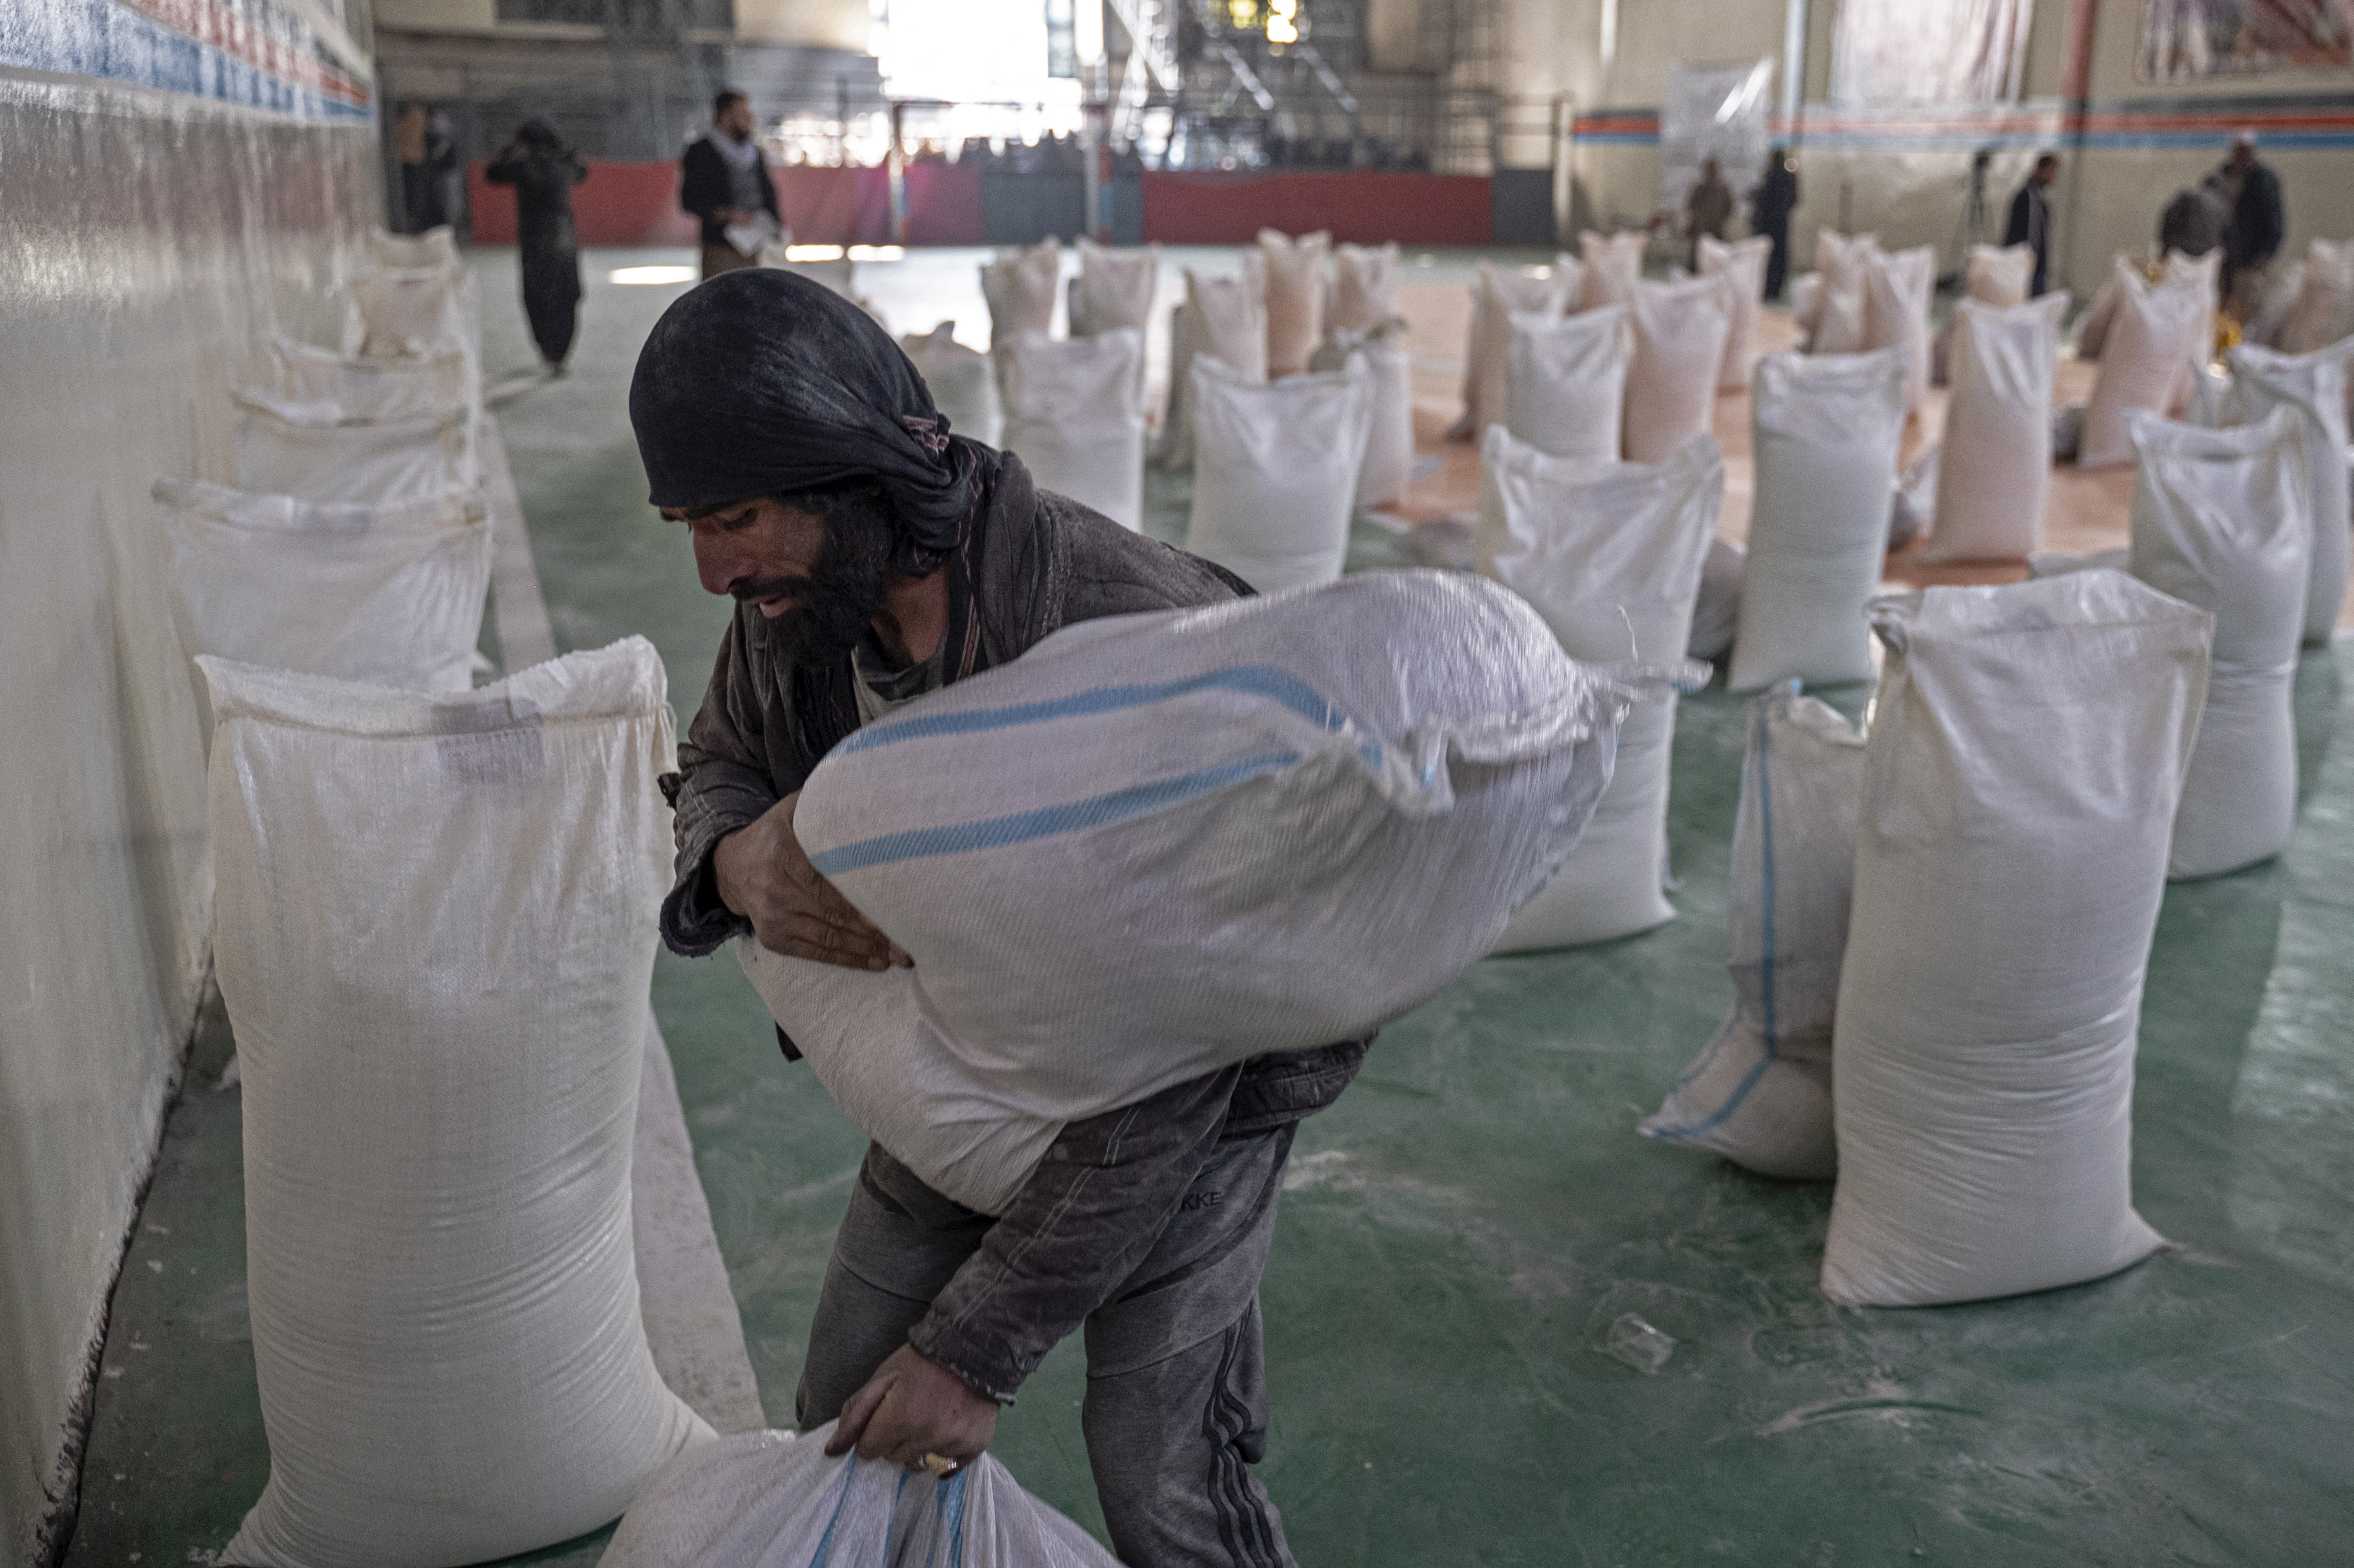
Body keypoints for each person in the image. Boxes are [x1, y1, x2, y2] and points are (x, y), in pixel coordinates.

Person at [632, 268, 1368, 1568]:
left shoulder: (1121, 641)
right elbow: (721, 755)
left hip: (1185, 1105)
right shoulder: (795, 602)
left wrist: (975, 1350)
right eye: (690, 523)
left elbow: (1181, 1050)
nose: (710, 571)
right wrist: (736, 862)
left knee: (1164, 1478)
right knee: (844, 1423)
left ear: (853, 477)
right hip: (962, 1073)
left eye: (735, 517)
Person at [485, 119, 589, 374]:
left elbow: (492, 173)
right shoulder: (563, 162)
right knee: (566, 297)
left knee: (537, 298)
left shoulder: (522, 165)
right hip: (564, 241)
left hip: (534, 243)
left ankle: (548, 350)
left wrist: (510, 148)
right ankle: (560, 355)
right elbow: (583, 171)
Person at [681, 89, 779, 281]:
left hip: (755, 247)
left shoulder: (754, 153)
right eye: (742, 114)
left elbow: (768, 191)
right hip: (721, 249)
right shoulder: (701, 152)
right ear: (725, 116)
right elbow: (689, 199)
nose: (749, 119)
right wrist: (726, 214)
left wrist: (775, 222)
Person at [2215, 130, 2286, 320]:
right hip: (2227, 261)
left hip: (2252, 263)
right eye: (2239, 151)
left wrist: (2266, 255)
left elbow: (2275, 222)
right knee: (2224, 315)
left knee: (2247, 315)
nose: (2242, 155)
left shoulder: (2265, 181)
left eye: (2246, 151)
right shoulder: (2223, 176)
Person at [2003, 152, 2060, 298]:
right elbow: (2029, 235)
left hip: (2036, 267)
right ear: (2042, 170)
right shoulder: (2028, 198)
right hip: (2027, 268)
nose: (2054, 178)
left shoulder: (2039, 199)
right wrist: (2029, 264)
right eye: (2052, 172)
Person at [1752, 147, 1799, 300]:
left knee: (1773, 258)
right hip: (1775, 224)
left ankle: (1772, 288)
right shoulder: (1783, 178)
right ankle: (1773, 289)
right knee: (1776, 257)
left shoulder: (1773, 177)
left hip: (1771, 225)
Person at [2158, 175, 2230, 260]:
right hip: (2208, 257)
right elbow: (2228, 237)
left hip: (2180, 251)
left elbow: (2170, 217)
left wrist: (2166, 243)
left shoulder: (2189, 198)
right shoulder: (2224, 208)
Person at [1685, 157, 1735, 271]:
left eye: (1713, 169)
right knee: (1696, 264)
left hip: (1716, 231)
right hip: (1700, 231)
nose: (1711, 172)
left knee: (1717, 264)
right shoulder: (1699, 188)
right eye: (1708, 169)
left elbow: (1729, 208)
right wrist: (1692, 224)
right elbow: (1691, 208)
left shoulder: (1723, 189)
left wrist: (1720, 219)